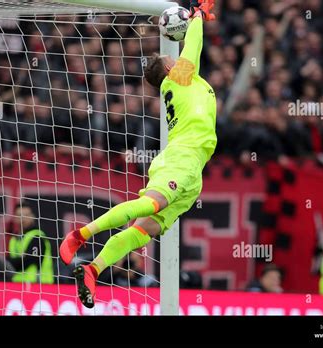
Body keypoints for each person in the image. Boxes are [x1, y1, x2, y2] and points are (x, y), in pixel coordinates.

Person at [59, 0, 218, 308]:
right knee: (151, 203)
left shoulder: (183, 81)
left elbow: (193, 47)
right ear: (170, 67)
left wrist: (200, 16)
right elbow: (194, 42)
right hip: (182, 158)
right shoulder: (180, 77)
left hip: (192, 169)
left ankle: (94, 269)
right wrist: (198, 14)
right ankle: (80, 235)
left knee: (143, 231)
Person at [8, 203, 54, 284]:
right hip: (17, 284)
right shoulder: (13, 239)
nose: (23, 219)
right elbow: (9, 262)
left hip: (39, 285)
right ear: (14, 218)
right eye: (19, 215)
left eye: (26, 215)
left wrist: (13, 262)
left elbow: (28, 261)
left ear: (33, 216)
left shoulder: (37, 236)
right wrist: (19, 259)